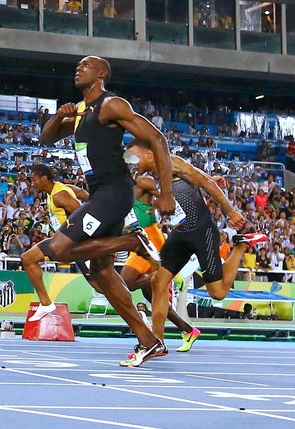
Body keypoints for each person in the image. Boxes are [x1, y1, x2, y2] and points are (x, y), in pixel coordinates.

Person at [39, 55, 175, 367]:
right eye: (77, 66)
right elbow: (46, 138)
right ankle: (149, 340)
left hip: (114, 193)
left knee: (59, 249)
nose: (78, 68)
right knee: (103, 273)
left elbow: (157, 138)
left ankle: (131, 243)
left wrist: (166, 192)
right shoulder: (80, 111)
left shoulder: (111, 104)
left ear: (101, 74)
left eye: (85, 65)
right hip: (102, 195)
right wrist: (59, 116)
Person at [125, 138, 267, 348]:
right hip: (180, 234)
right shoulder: (149, 177)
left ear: (148, 154)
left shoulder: (172, 163)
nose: (131, 162)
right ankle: (156, 342)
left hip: (202, 232)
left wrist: (230, 211)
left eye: (133, 157)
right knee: (157, 282)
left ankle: (240, 246)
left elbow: (204, 182)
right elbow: (197, 179)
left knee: (217, 293)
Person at [120, 173, 200, 354]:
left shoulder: (143, 181)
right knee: (155, 299)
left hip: (150, 238)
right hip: (137, 239)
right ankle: (188, 330)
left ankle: (167, 275)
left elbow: (167, 199)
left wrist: (181, 222)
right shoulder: (120, 187)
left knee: (127, 282)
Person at [21, 164, 92, 321]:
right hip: (63, 241)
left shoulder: (60, 195)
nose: (32, 184)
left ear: (44, 178)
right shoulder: (59, 188)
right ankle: (46, 304)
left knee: (101, 286)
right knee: (27, 258)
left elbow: (83, 215)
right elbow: (84, 194)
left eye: (33, 179)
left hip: (74, 244)